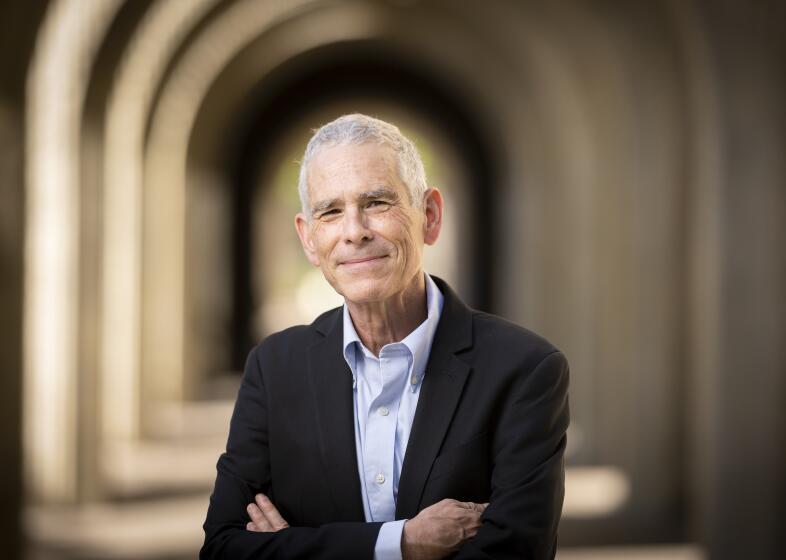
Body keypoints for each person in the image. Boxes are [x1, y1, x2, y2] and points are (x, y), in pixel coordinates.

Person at [200, 113, 570, 559]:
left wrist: (293, 550)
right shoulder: (274, 369)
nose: (354, 231)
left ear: (429, 217)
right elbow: (224, 548)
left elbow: (514, 554)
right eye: (331, 211)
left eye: (377, 202)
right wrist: (402, 544)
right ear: (309, 239)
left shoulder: (525, 370)